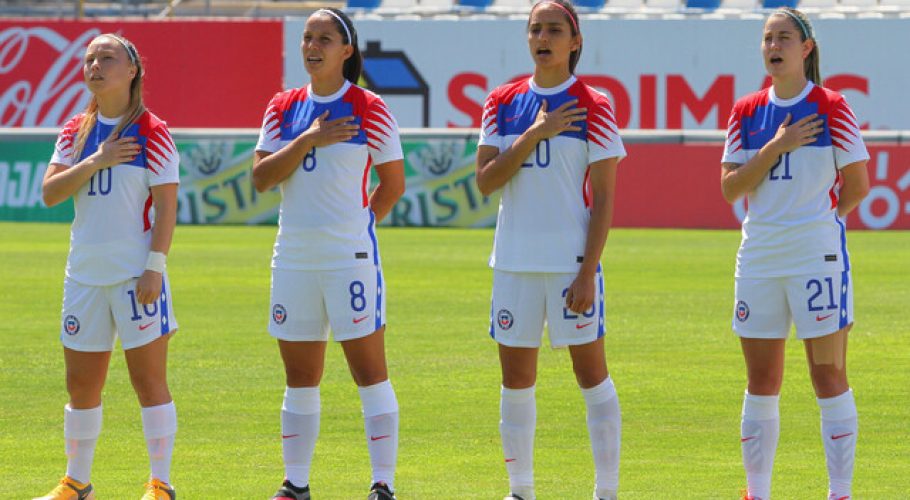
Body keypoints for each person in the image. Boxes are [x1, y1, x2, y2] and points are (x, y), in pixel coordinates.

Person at [251, 8, 406, 500]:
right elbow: (261, 178)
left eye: (324, 38)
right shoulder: (282, 108)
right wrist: (309, 138)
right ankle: (295, 484)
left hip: (349, 260)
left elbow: (393, 184)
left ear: (347, 50)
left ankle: (383, 484)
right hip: (293, 257)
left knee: (368, 372)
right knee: (300, 376)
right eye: (306, 37)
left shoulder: (369, 106)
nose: (312, 46)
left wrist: (356, 232)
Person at [475, 1, 626, 499]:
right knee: (516, 380)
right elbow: (486, 181)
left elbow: (604, 197)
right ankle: (520, 490)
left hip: (569, 265)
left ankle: (606, 491)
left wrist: (588, 271)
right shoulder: (501, 101)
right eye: (536, 28)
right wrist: (536, 133)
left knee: (591, 375)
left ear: (574, 41)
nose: (543, 37)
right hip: (514, 263)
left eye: (554, 29)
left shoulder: (595, 103)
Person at [720, 8, 870, 500]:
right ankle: (757, 492)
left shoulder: (832, 106)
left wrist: (819, 223)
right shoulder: (745, 111)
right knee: (761, 378)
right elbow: (730, 188)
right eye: (766, 38)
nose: (773, 46)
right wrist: (776, 147)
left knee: (827, 374)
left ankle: (840, 492)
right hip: (759, 258)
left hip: (815, 260)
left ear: (805, 48)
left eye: (783, 37)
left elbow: (857, 185)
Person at [36, 34, 180, 500]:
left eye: (107, 57)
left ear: (132, 70)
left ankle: (161, 484)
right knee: (81, 384)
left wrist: (154, 267)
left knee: (147, 380)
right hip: (83, 275)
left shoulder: (153, 131)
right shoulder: (75, 130)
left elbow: (166, 207)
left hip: (135, 276)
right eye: (90, 58)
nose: (95, 64)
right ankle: (77, 482)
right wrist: (96, 160)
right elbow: (51, 192)